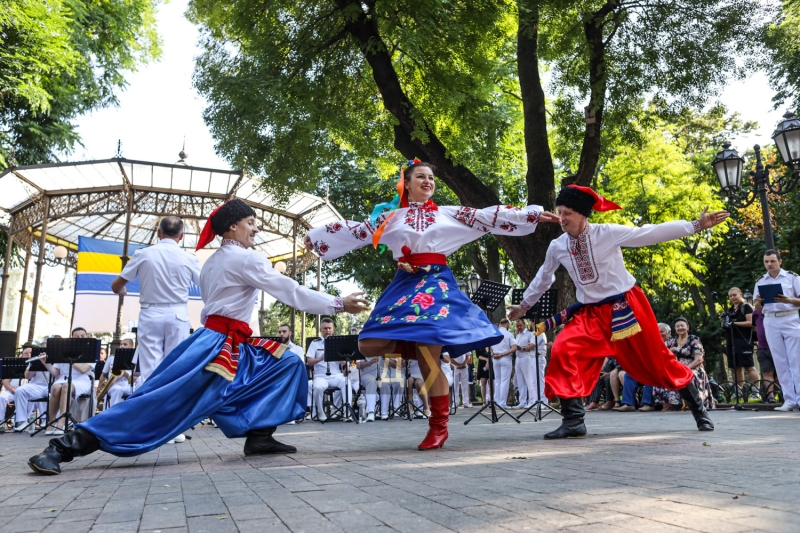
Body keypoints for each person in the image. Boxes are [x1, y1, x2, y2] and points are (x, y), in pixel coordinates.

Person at [28, 199, 370, 475]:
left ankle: (260, 436)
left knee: (288, 364)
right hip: (217, 346)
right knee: (159, 401)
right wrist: (338, 303)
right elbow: (289, 290)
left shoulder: (213, 261)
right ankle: (63, 446)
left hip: (225, 342)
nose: (256, 228)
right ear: (233, 227)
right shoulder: (246, 259)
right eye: (251, 222)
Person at [305, 159, 558, 450]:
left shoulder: (450, 213)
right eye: (421, 177)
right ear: (407, 184)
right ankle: (418, 347)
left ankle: (438, 426)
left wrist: (534, 214)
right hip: (403, 284)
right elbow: (355, 231)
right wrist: (315, 237)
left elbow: (489, 216)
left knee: (429, 363)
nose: (428, 181)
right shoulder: (391, 217)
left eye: (431, 177)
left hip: (435, 283)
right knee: (368, 344)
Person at [508, 184, 728, 438]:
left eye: (567, 212)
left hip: (627, 308)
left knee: (658, 362)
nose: (561, 218)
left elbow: (649, 233)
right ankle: (573, 421)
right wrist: (524, 305)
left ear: (582, 214)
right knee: (563, 349)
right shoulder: (557, 246)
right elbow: (543, 278)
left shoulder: (608, 233)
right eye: (560, 212)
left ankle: (699, 411)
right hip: (590, 313)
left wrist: (695, 225)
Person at [111, 216, 202, 382]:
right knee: (175, 368)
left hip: (150, 313)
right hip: (178, 314)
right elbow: (204, 283)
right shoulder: (189, 258)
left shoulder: (143, 254)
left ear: (158, 233)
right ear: (181, 236)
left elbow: (116, 285)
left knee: (150, 370)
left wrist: (121, 289)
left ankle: (151, 405)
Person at [754, 249, 800, 411]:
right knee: (780, 362)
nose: (769, 264)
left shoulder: (792, 277)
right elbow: (757, 308)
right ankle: (789, 400)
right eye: (766, 261)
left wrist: (788, 299)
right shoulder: (760, 281)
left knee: (796, 360)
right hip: (771, 320)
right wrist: (759, 301)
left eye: (772, 261)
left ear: (779, 261)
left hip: (790, 317)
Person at [47, 327, 94, 434]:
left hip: (81, 380)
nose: (80, 338)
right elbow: (55, 373)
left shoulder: (90, 351)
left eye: (82, 336)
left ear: (87, 337)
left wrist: (70, 360)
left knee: (66, 387)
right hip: (63, 378)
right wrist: (45, 363)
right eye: (77, 337)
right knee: (55, 388)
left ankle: (61, 422)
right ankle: (51, 422)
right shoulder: (63, 350)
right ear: (72, 338)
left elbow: (83, 370)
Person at [306, 318, 350, 422]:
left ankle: (347, 413)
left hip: (336, 375)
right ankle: (320, 412)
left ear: (333, 329)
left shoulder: (339, 343)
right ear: (321, 330)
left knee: (346, 382)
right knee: (317, 387)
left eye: (330, 328)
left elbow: (345, 363)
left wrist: (336, 356)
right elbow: (309, 361)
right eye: (325, 328)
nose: (328, 330)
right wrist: (320, 358)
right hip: (321, 376)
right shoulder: (314, 343)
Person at [723, 287, 758, 401]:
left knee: (749, 366)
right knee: (736, 367)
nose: (732, 297)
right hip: (732, 340)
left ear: (740, 294)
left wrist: (735, 323)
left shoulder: (746, 306)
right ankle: (739, 391)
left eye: (734, 295)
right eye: (730, 296)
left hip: (744, 339)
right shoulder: (730, 309)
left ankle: (756, 391)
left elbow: (751, 322)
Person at [13, 345, 51, 431]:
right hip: (36, 385)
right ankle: (23, 421)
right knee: (19, 390)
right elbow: (27, 376)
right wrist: (35, 364)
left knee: (55, 392)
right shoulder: (35, 359)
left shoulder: (56, 359)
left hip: (52, 385)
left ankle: (48, 419)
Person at [97, 339, 137, 410]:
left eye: (125, 344)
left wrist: (126, 375)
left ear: (131, 346)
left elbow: (137, 378)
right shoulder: (111, 358)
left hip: (129, 386)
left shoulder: (135, 360)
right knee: (117, 389)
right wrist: (99, 389)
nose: (122, 346)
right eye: (121, 344)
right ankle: (113, 412)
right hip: (114, 385)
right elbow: (103, 374)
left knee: (136, 390)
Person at [751, 307, 778, 403]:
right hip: (762, 348)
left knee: (780, 373)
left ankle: (783, 395)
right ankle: (771, 397)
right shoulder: (755, 313)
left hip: (777, 347)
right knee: (767, 372)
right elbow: (756, 327)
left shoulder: (775, 309)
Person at [0, 345, 33, 424]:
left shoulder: (36, 366)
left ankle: (26, 422)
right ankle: (1, 421)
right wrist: (10, 389)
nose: (28, 355)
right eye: (26, 353)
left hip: (27, 392)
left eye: (30, 353)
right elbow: (5, 381)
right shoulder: (14, 365)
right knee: (1, 397)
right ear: (22, 355)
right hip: (12, 391)